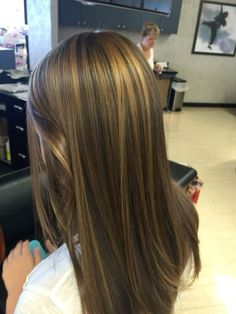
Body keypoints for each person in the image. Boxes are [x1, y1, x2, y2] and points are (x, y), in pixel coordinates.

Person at [2, 31, 201, 314]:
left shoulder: (43, 296)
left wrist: (18, 292)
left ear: (55, 147)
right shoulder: (182, 216)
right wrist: (65, 255)